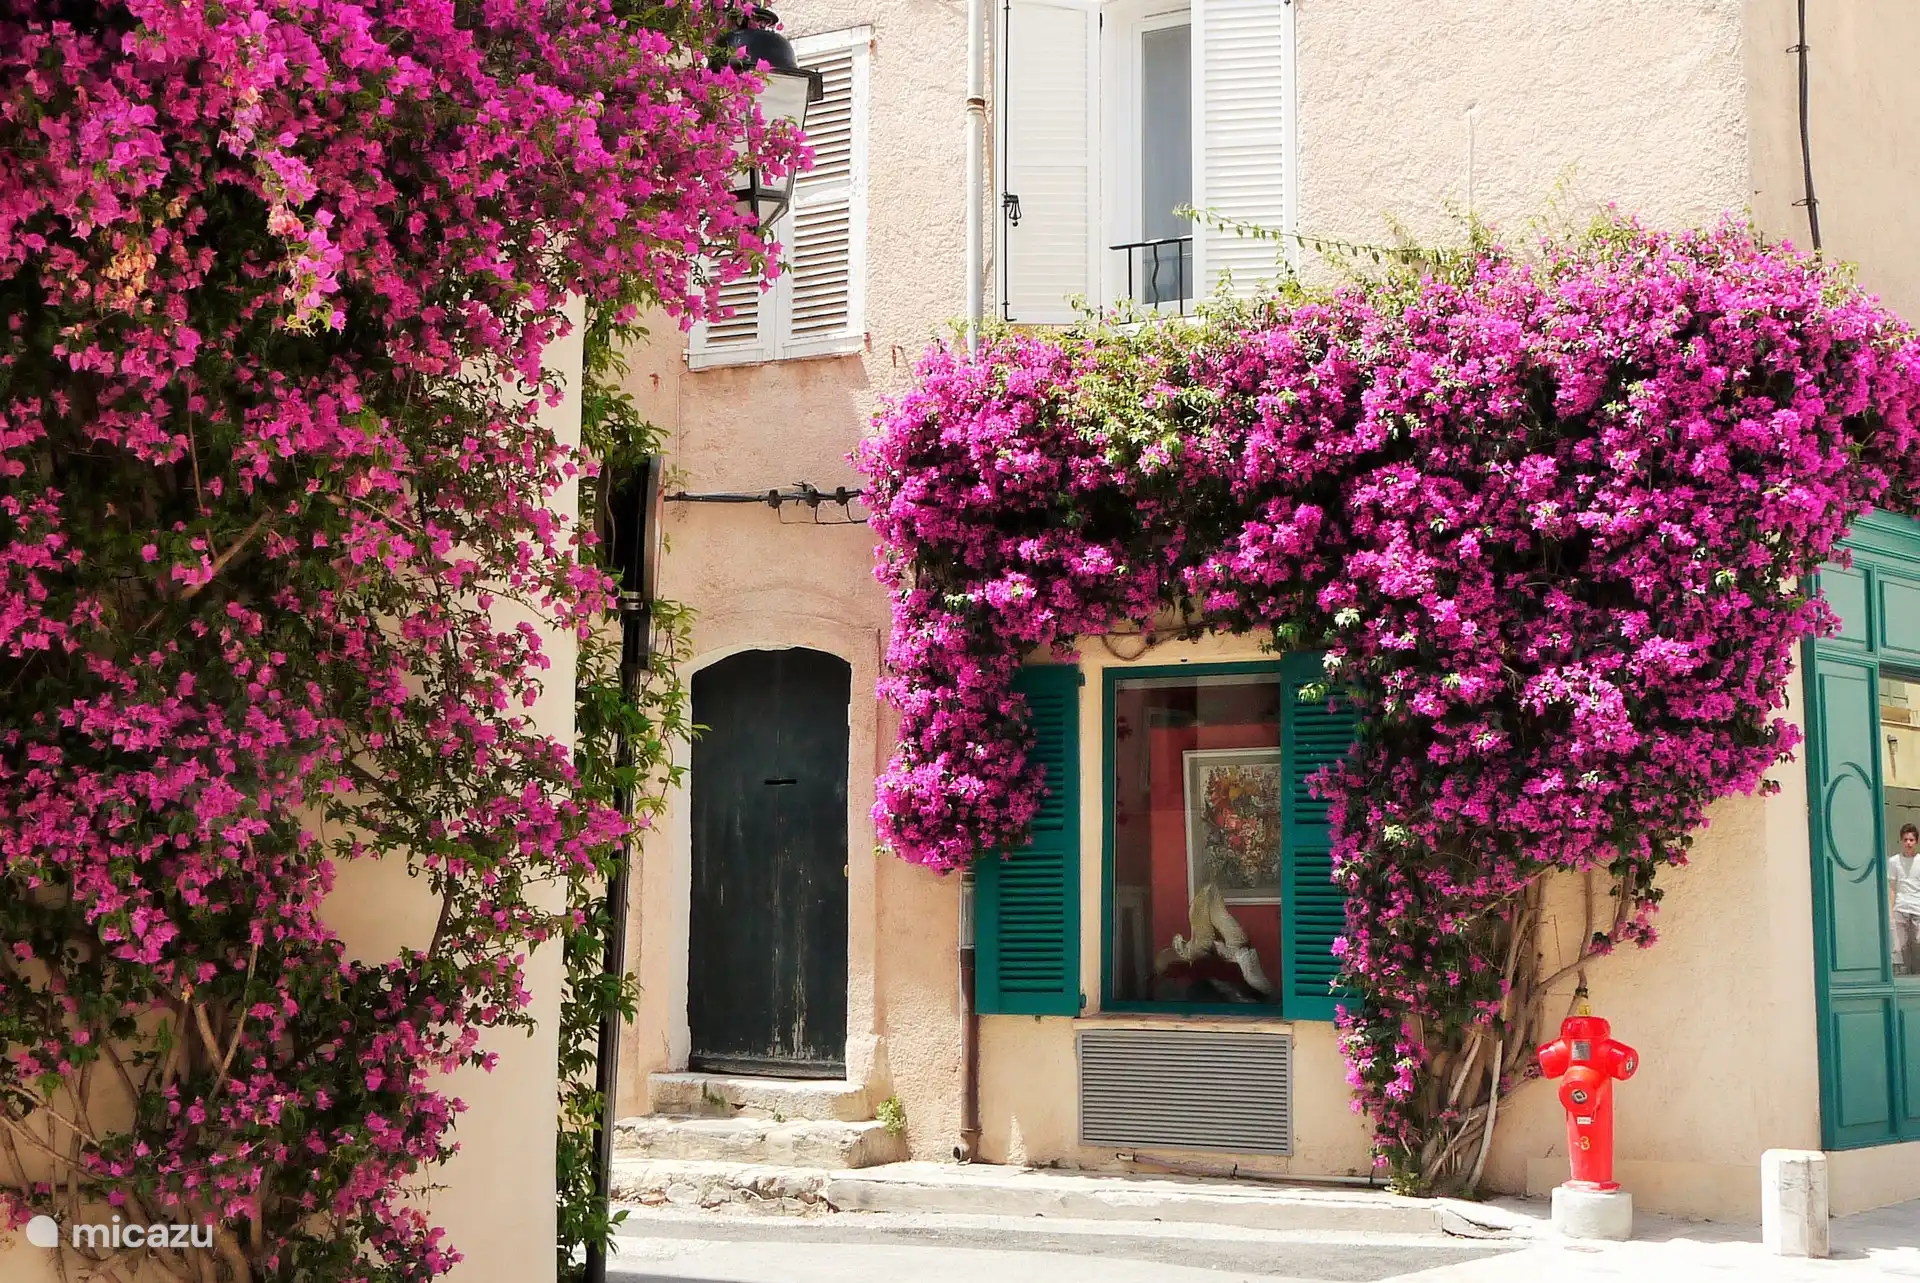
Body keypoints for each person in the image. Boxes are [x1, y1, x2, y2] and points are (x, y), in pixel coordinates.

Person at [1892, 823, 1920, 976]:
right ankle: (1908, 975)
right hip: (1901, 907)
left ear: (1916, 841)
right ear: (1901, 841)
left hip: (1917, 907)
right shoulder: (1894, 861)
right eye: (1905, 840)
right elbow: (1892, 887)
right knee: (1902, 945)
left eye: (1911, 840)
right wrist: (1891, 909)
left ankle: (1917, 975)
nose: (1908, 843)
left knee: (1917, 942)